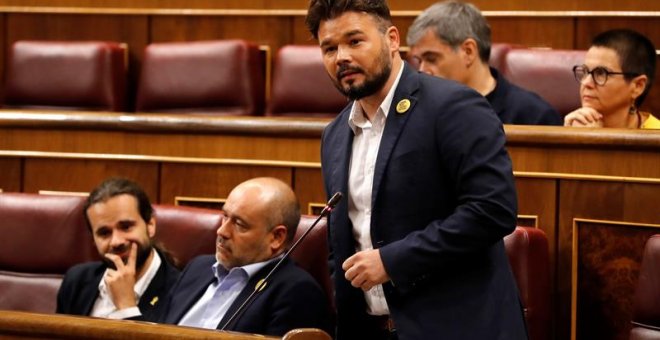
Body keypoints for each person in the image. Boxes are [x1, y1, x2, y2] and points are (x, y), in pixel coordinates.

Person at [306, 1, 527, 339]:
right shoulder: (334, 135)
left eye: (355, 41)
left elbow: (492, 211)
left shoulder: (453, 106)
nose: (341, 57)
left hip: (458, 328)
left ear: (392, 39)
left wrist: (392, 261)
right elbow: (344, 244)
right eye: (329, 48)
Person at [158, 177, 331, 336]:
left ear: (276, 237)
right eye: (225, 216)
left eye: (239, 224)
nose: (222, 231)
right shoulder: (198, 268)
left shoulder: (296, 292)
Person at [407, 1, 561, 126]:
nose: (422, 71)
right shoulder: (417, 111)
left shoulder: (535, 116)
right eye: (419, 61)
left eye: (431, 59)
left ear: (468, 52)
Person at [56, 178, 180, 321]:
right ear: (93, 240)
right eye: (104, 233)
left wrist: (127, 308)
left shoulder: (180, 292)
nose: (116, 241)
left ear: (150, 225)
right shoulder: (76, 281)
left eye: (126, 227)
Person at [564, 29, 659, 129]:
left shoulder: (655, 136)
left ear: (637, 86)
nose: (586, 83)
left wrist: (596, 141)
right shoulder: (574, 126)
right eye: (585, 71)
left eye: (601, 73)